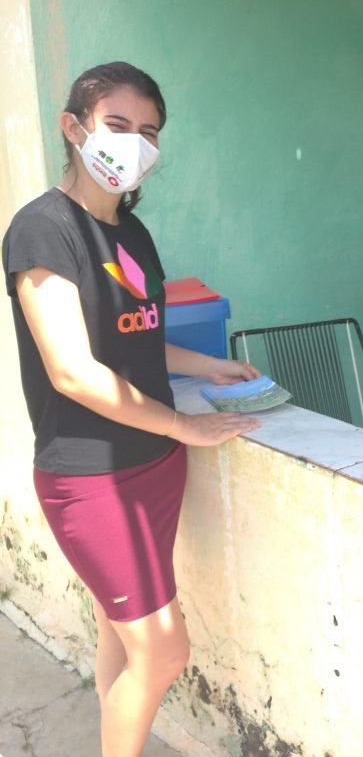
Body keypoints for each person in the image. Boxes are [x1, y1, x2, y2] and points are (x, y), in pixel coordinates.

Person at [2, 62, 261, 756]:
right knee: (164, 651)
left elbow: (134, 337)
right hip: (93, 477)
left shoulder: (131, 233)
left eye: (149, 131)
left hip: (155, 466)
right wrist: (185, 425)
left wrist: (208, 366)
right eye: (117, 124)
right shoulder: (42, 230)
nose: (135, 143)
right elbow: (72, 371)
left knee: (123, 639)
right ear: (74, 127)